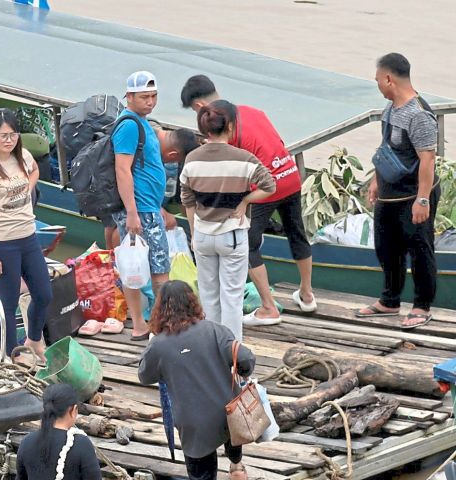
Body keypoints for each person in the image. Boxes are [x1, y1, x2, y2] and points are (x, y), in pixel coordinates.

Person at [138, 281, 255, 480]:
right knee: (230, 416)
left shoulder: (159, 345)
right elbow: (246, 359)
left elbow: (144, 376)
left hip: (193, 425)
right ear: (194, 302)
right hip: (225, 417)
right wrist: (239, 373)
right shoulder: (215, 331)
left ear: (160, 310)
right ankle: (237, 467)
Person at [181, 75, 316, 325]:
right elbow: (278, 142)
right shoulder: (253, 110)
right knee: (297, 233)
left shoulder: (226, 130)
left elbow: (231, 170)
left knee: (249, 244)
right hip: (290, 174)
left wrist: (241, 202)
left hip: (266, 187)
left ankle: (268, 307)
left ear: (200, 107)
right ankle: (307, 295)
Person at [179, 101, 277, 340]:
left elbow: (187, 200)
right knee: (231, 297)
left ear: (204, 129)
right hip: (232, 236)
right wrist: (244, 202)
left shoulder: (192, 159)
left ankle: (211, 347)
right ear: (231, 126)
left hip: (202, 235)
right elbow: (270, 186)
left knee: (209, 295)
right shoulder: (244, 159)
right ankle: (232, 353)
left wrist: (193, 233)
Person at [356, 53, 440, 330]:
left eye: (378, 80)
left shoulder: (419, 115)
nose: (378, 85)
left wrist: (423, 199)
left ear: (389, 79)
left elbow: (427, 159)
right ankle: (389, 300)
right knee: (386, 247)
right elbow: (387, 148)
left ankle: (421, 305)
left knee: (419, 249)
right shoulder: (391, 108)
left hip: (414, 194)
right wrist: (376, 180)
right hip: (389, 192)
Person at [0, 108, 52, 365]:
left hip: (28, 237)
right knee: (8, 303)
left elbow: (35, 170)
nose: (8, 140)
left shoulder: (24, 157)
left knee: (44, 294)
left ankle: (34, 338)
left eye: (13, 135)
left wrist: (27, 189)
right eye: (2, 135)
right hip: (3, 243)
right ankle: (9, 356)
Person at [112, 71, 171, 341]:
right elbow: (122, 170)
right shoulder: (128, 126)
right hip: (139, 209)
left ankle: (148, 324)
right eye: (144, 97)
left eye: (153, 96)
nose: (150, 102)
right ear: (130, 97)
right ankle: (154, 324)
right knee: (156, 269)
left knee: (137, 266)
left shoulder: (142, 122)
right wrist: (132, 213)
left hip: (148, 207)